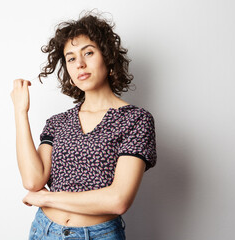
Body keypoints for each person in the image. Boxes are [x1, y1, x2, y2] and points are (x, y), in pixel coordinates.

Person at [10, 11, 157, 240]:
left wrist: (46, 198)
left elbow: (118, 200)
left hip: (98, 235)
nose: (79, 64)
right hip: (44, 231)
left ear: (107, 57)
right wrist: (21, 112)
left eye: (88, 52)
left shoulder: (135, 120)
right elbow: (33, 181)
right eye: (70, 58)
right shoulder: (58, 122)